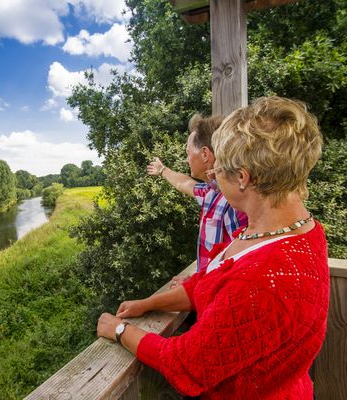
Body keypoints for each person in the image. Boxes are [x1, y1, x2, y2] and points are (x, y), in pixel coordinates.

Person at [98, 97, 329, 399]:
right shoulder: (288, 230)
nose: (212, 175)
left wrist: (119, 331)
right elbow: (209, 284)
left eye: (218, 170)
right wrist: (150, 303)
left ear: (243, 178)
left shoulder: (261, 279)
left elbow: (188, 364)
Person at [147, 114, 247, 272]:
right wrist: (162, 170)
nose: (187, 160)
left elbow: (239, 266)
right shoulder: (210, 192)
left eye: (188, 153)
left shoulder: (236, 201)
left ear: (205, 154)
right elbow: (184, 183)